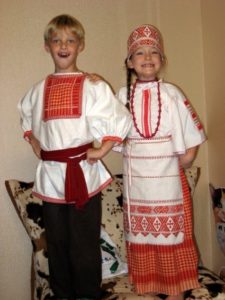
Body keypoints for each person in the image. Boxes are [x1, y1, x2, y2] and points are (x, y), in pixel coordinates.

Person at [18, 14, 131, 300]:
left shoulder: (92, 85)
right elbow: (27, 120)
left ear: (80, 45)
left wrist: (102, 150)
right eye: (56, 40)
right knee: (57, 243)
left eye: (70, 40)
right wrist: (37, 147)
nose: (63, 46)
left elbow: (118, 118)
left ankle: (88, 295)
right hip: (52, 176)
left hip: (83, 174)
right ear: (47, 46)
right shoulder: (38, 90)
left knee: (84, 243)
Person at [117, 25, 206, 300]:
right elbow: (110, 131)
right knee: (143, 237)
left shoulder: (172, 93)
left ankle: (176, 289)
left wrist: (187, 158)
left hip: (168, 182)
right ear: (129, 62)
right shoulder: (122, 96)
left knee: (172, 237)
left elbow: (192, 131)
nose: (147, 56)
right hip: (138, 186)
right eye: (139, 52)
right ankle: (150, 287)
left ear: (162, 59)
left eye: (154, 51)